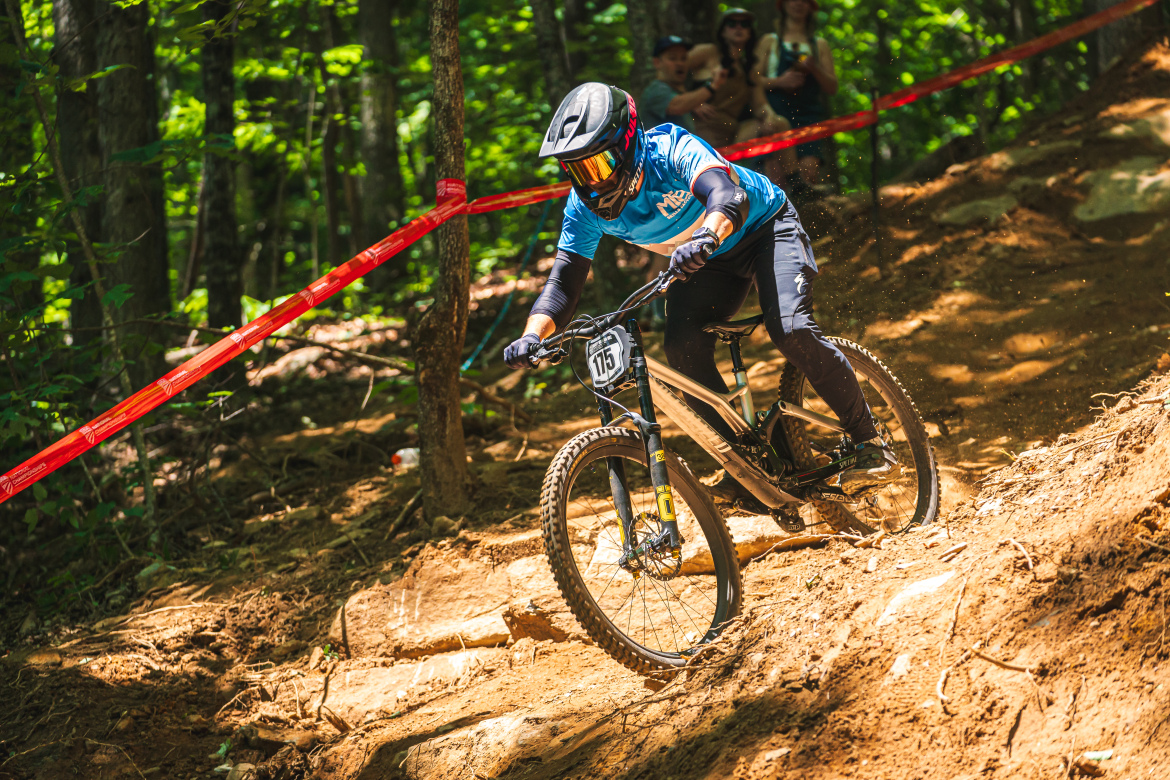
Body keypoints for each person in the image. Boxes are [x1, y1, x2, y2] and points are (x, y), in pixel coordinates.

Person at [503, 83, 900, 506]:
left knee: (789, 330)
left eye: (598, 165)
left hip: (763, 228)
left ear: (628, 143)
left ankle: (869, 440)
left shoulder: (669, 148)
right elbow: (563, 283)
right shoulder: (582, 208)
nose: (592, 182)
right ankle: (749, 467)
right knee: (682, 348)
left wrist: (707, 234)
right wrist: (533, 337)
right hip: (707, 259)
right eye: (578, 171)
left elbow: (727, 194)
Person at [757, 0, 838, 192]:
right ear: (782, 5)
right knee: (776, 180)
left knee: (809, 176)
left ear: (811, 7)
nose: (798, 4)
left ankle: (808, 221)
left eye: (805, 1)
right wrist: (780, 81)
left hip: (808, 117)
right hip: (776, 115)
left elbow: (832, 87)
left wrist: (815, 68)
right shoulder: (770, 41)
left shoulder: (819, 45)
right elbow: (752, 81)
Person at [686, 9, 789, 152]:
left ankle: (792, 174)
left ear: (750, 33)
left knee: (780, 123)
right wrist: (691, 102)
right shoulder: (708, 52)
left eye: (744, 24)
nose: (739, 27)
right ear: (723, 31)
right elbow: (672, 71)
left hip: (734, 133)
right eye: (732, 23)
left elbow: (760, 105)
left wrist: (770, 117)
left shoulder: (749, 70)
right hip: (703, 130)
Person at [640, 36, 726, 133]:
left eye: (683, 58)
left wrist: (693, 104)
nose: (680, 63)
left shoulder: (676, 92)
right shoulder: (655, 90)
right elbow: (677, 106)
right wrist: (713, 85)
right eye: (672, 58)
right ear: (657, 63)